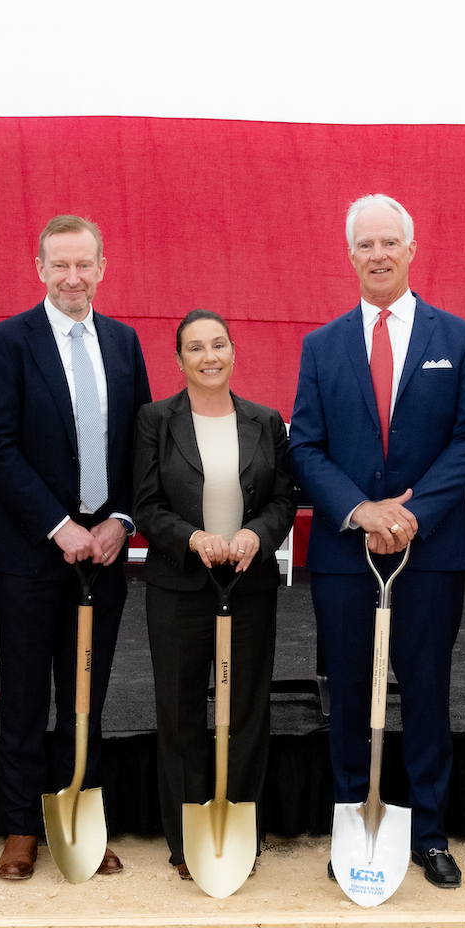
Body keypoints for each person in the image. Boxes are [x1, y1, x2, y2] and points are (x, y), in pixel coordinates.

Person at [289, 193, 465, 888]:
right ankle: (357, 823)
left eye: (390, 243)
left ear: (412, 249)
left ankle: (429, 831)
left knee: (428, 691)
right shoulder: (321, 346)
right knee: (348, 692)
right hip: (347, 554)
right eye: (365, 244)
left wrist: (412, 513)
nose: (378, 254)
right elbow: (305, 445)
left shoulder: (459, 338)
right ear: (350, 255)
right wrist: (359, 510)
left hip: (429, 551)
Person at [0, 215, 152, 881]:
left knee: (86, 695)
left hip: (103, 555)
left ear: (102, 267)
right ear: (40, 268)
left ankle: (78, 814)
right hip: (30, 552)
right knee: (24, 693)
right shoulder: (7, 343)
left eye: (85, 265)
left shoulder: (124, 342)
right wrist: (59, 523)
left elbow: (142, 441)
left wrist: (121, 520)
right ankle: (21, 826)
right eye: (61, 265)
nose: (73, 278)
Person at [132, 310, 298, 877]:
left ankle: (240, 829)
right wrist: (191, 537)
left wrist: (257, 535)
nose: (209, 356)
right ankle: (187, 840)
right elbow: (147, 504)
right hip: (179, 585)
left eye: (219, 345)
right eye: (196, 348)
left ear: (234, 352)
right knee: (179, 712)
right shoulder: (156, 420)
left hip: (248, 583)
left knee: (247, 708)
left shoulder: (265, 420)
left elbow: (282, 499)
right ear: (178, 360)